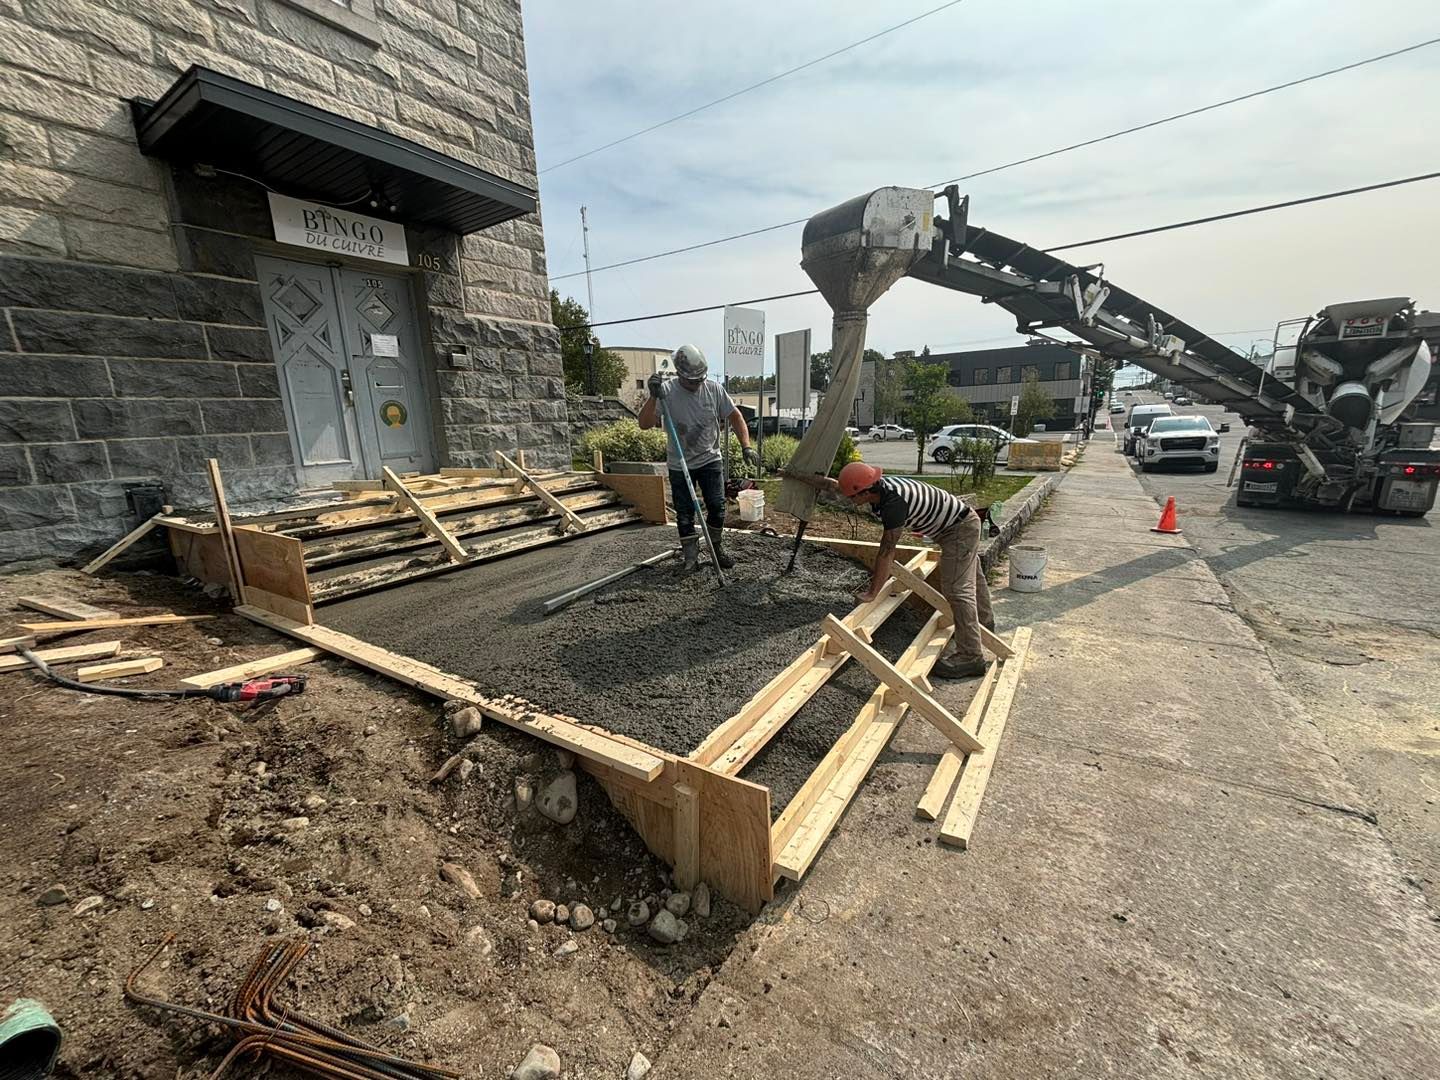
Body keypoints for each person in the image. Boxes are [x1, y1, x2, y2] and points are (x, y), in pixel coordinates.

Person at [785, 460, 994, 678]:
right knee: (971, 576)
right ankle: (985, 625)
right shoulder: (870, 485)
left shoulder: (894, 503)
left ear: (863, 493)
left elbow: (886, 551)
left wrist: (872, 593)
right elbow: (831, 485)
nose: (847, 499)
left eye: (851, 497)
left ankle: (971, 656)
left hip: (958, 530)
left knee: (956, 590)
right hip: (954, 525)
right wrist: (791, 474)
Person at [637, 344, 758, 571]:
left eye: (700, 379)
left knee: (717, 507)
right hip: (679, 462)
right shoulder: (667, 392)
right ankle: (690, 558)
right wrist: (653, 397)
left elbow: (736, 416)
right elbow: (644, 424)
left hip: (710, 459)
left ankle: (716, 548)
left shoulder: (714, 390)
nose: (697, 384)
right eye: (692, 381)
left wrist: (746, 446)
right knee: (684, 514)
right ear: (680, 375)